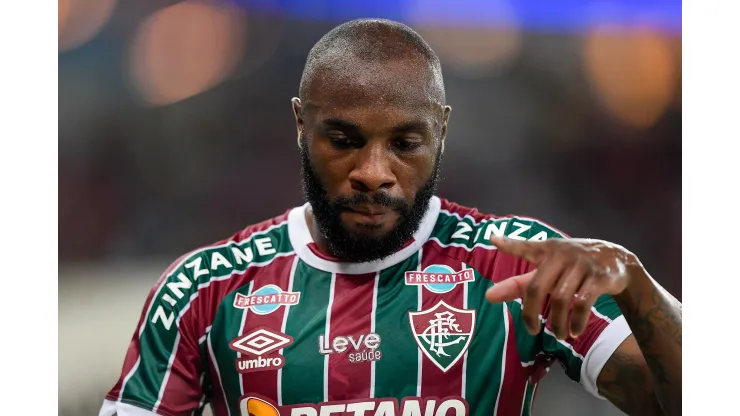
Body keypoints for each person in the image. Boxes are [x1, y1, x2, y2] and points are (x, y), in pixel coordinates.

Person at [100, 19, 681, 416]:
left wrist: (639, 288)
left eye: (405, 143)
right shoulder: (206, 290)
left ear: (443, 132)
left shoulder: (516, 265)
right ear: (301, 125)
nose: (374, 172)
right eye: (344, 140)